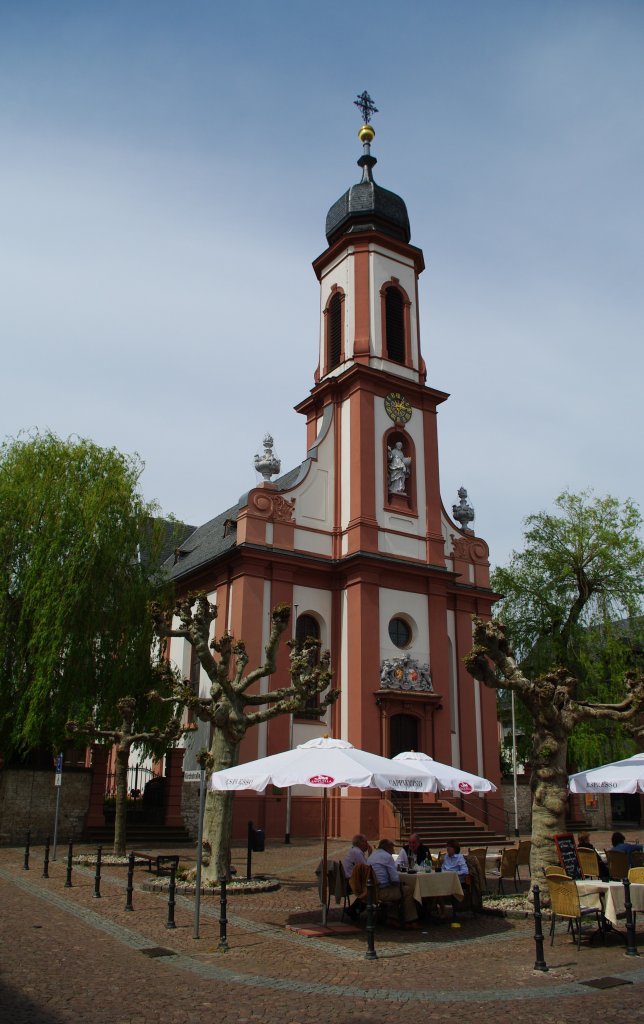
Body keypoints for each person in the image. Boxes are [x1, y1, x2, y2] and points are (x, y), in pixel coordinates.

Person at [368, 838, 418, 923]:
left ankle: (393, 916)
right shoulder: (387, 857)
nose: (393, 851)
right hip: (380, 891)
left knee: (396, 888)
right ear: (389, 848)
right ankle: (410, 920)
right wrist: (403, 883)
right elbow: (395, 879)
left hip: (370, 890)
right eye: (393, 848)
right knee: (408, 890)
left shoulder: (373, 855)